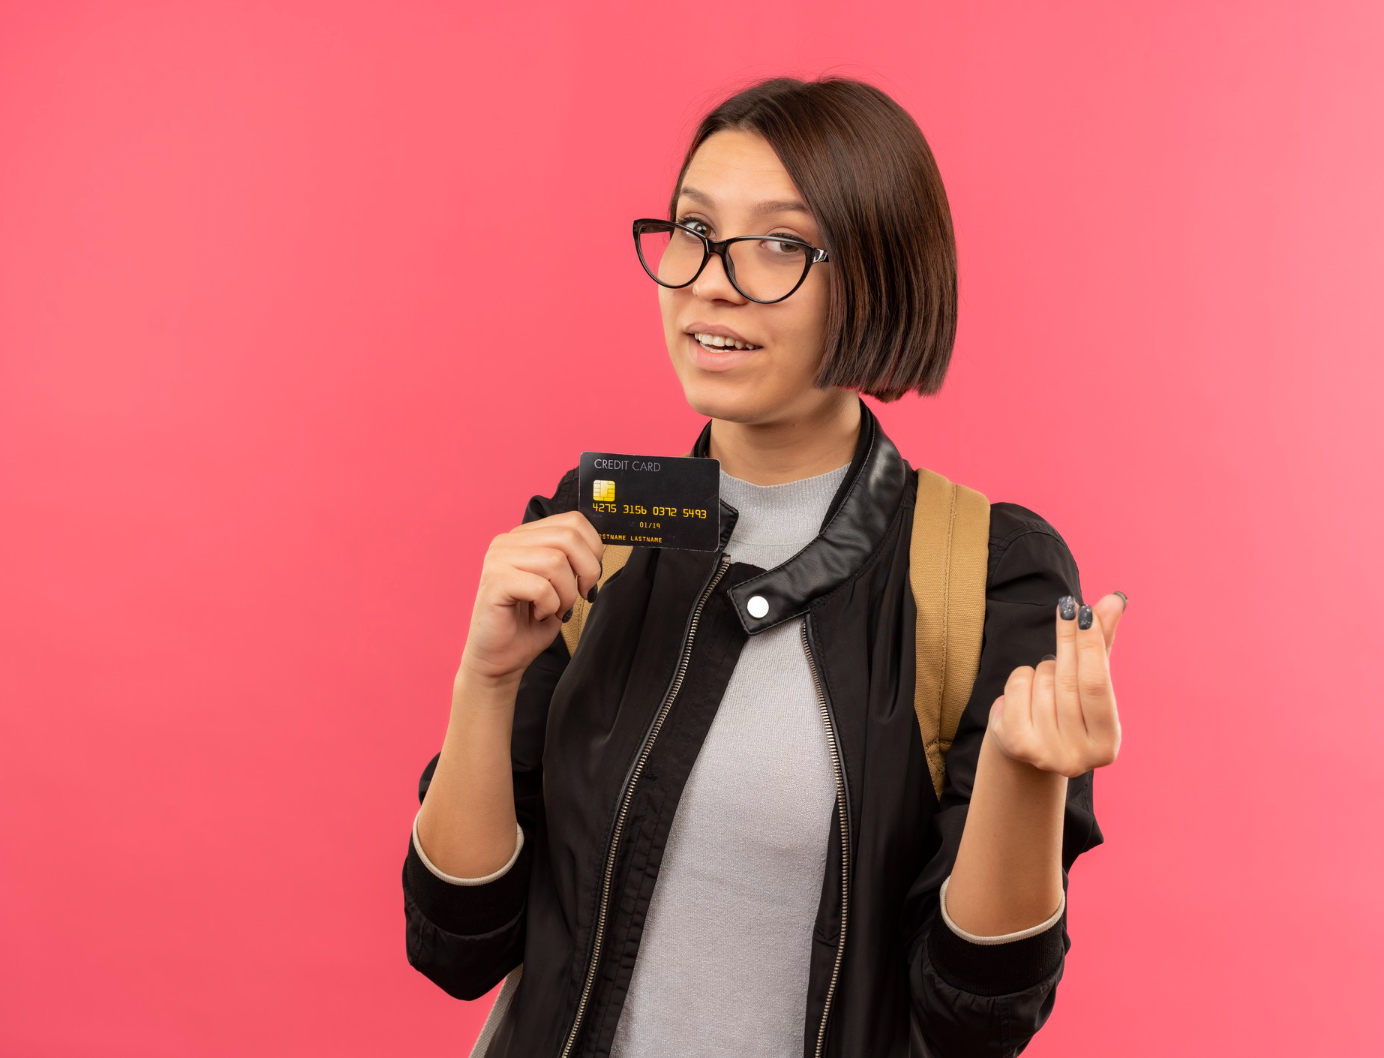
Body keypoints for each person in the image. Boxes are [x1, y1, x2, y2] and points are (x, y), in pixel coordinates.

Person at [402, 75, 1127, 1058]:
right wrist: (484, 682)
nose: (709, 279)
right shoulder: (591, 530)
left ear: (875, 271)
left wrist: (1021, 776)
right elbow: (458, 941)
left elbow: (975, 1015)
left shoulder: (990, 576)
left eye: (780, 244)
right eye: (692, 231)